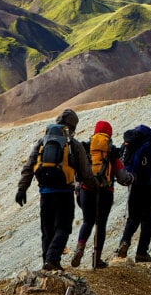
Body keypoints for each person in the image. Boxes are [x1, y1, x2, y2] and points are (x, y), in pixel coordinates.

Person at [16, 109, 94, 272]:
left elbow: (29, 167)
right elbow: (85, 173)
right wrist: (94, 187)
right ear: (73, 126)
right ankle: (52, 260)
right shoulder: (74, 144)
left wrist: (22, 189)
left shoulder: (42, 142)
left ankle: (47, 264)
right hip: (64, 193)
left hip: (45, 193)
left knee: (47, 230)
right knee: (63, 227)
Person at [71, 121, 133, 269]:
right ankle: (97, 259)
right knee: (101, 225)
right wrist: (131, 178)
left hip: (86, 190)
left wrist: (78, 187)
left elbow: (76, 171)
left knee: (87, 221)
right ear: (109, 134)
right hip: (105, 192)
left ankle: (79, 249)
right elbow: (122, 176)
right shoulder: (111, 152)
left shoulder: (86, 148)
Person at [116, 120, 151, 262]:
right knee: (148, 220)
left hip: (134, 185)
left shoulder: (136, 142)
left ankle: (124, 243)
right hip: (150, 188)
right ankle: (141, 253)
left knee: (133, 218)